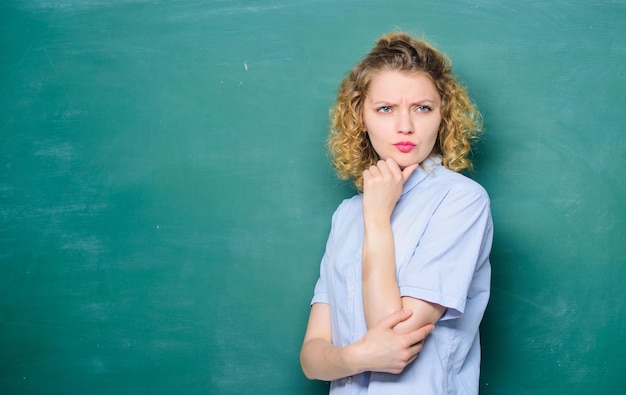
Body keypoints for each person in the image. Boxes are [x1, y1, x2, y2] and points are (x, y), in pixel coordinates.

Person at [300, 31, 493, 394]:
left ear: (443, 116)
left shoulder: (462, 201)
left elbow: (396, 338)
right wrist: (356, 358)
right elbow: (312, 358)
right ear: (361, 118)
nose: (405, 126)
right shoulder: (346, 214)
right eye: (385, 108)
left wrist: (376, 220)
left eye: (423, 107)